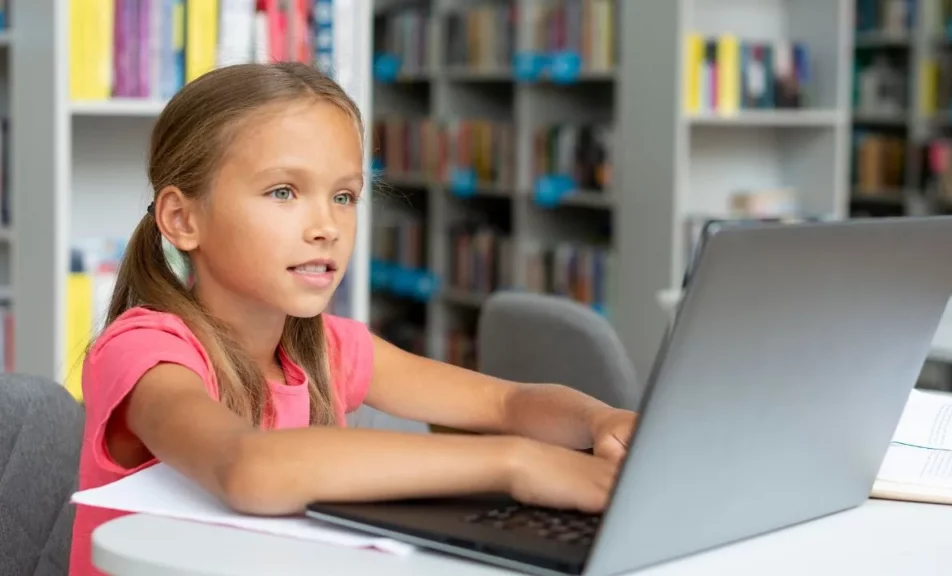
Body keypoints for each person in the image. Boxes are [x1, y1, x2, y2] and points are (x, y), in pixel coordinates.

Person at [69, 62, 636, 575]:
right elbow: (248, 468)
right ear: (182, 219)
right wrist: (516, 463)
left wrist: (598, 420)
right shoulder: (144, 350)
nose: (327, 227)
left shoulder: (329, 348)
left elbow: (503, 404)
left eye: (344, 196)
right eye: (284, 191)